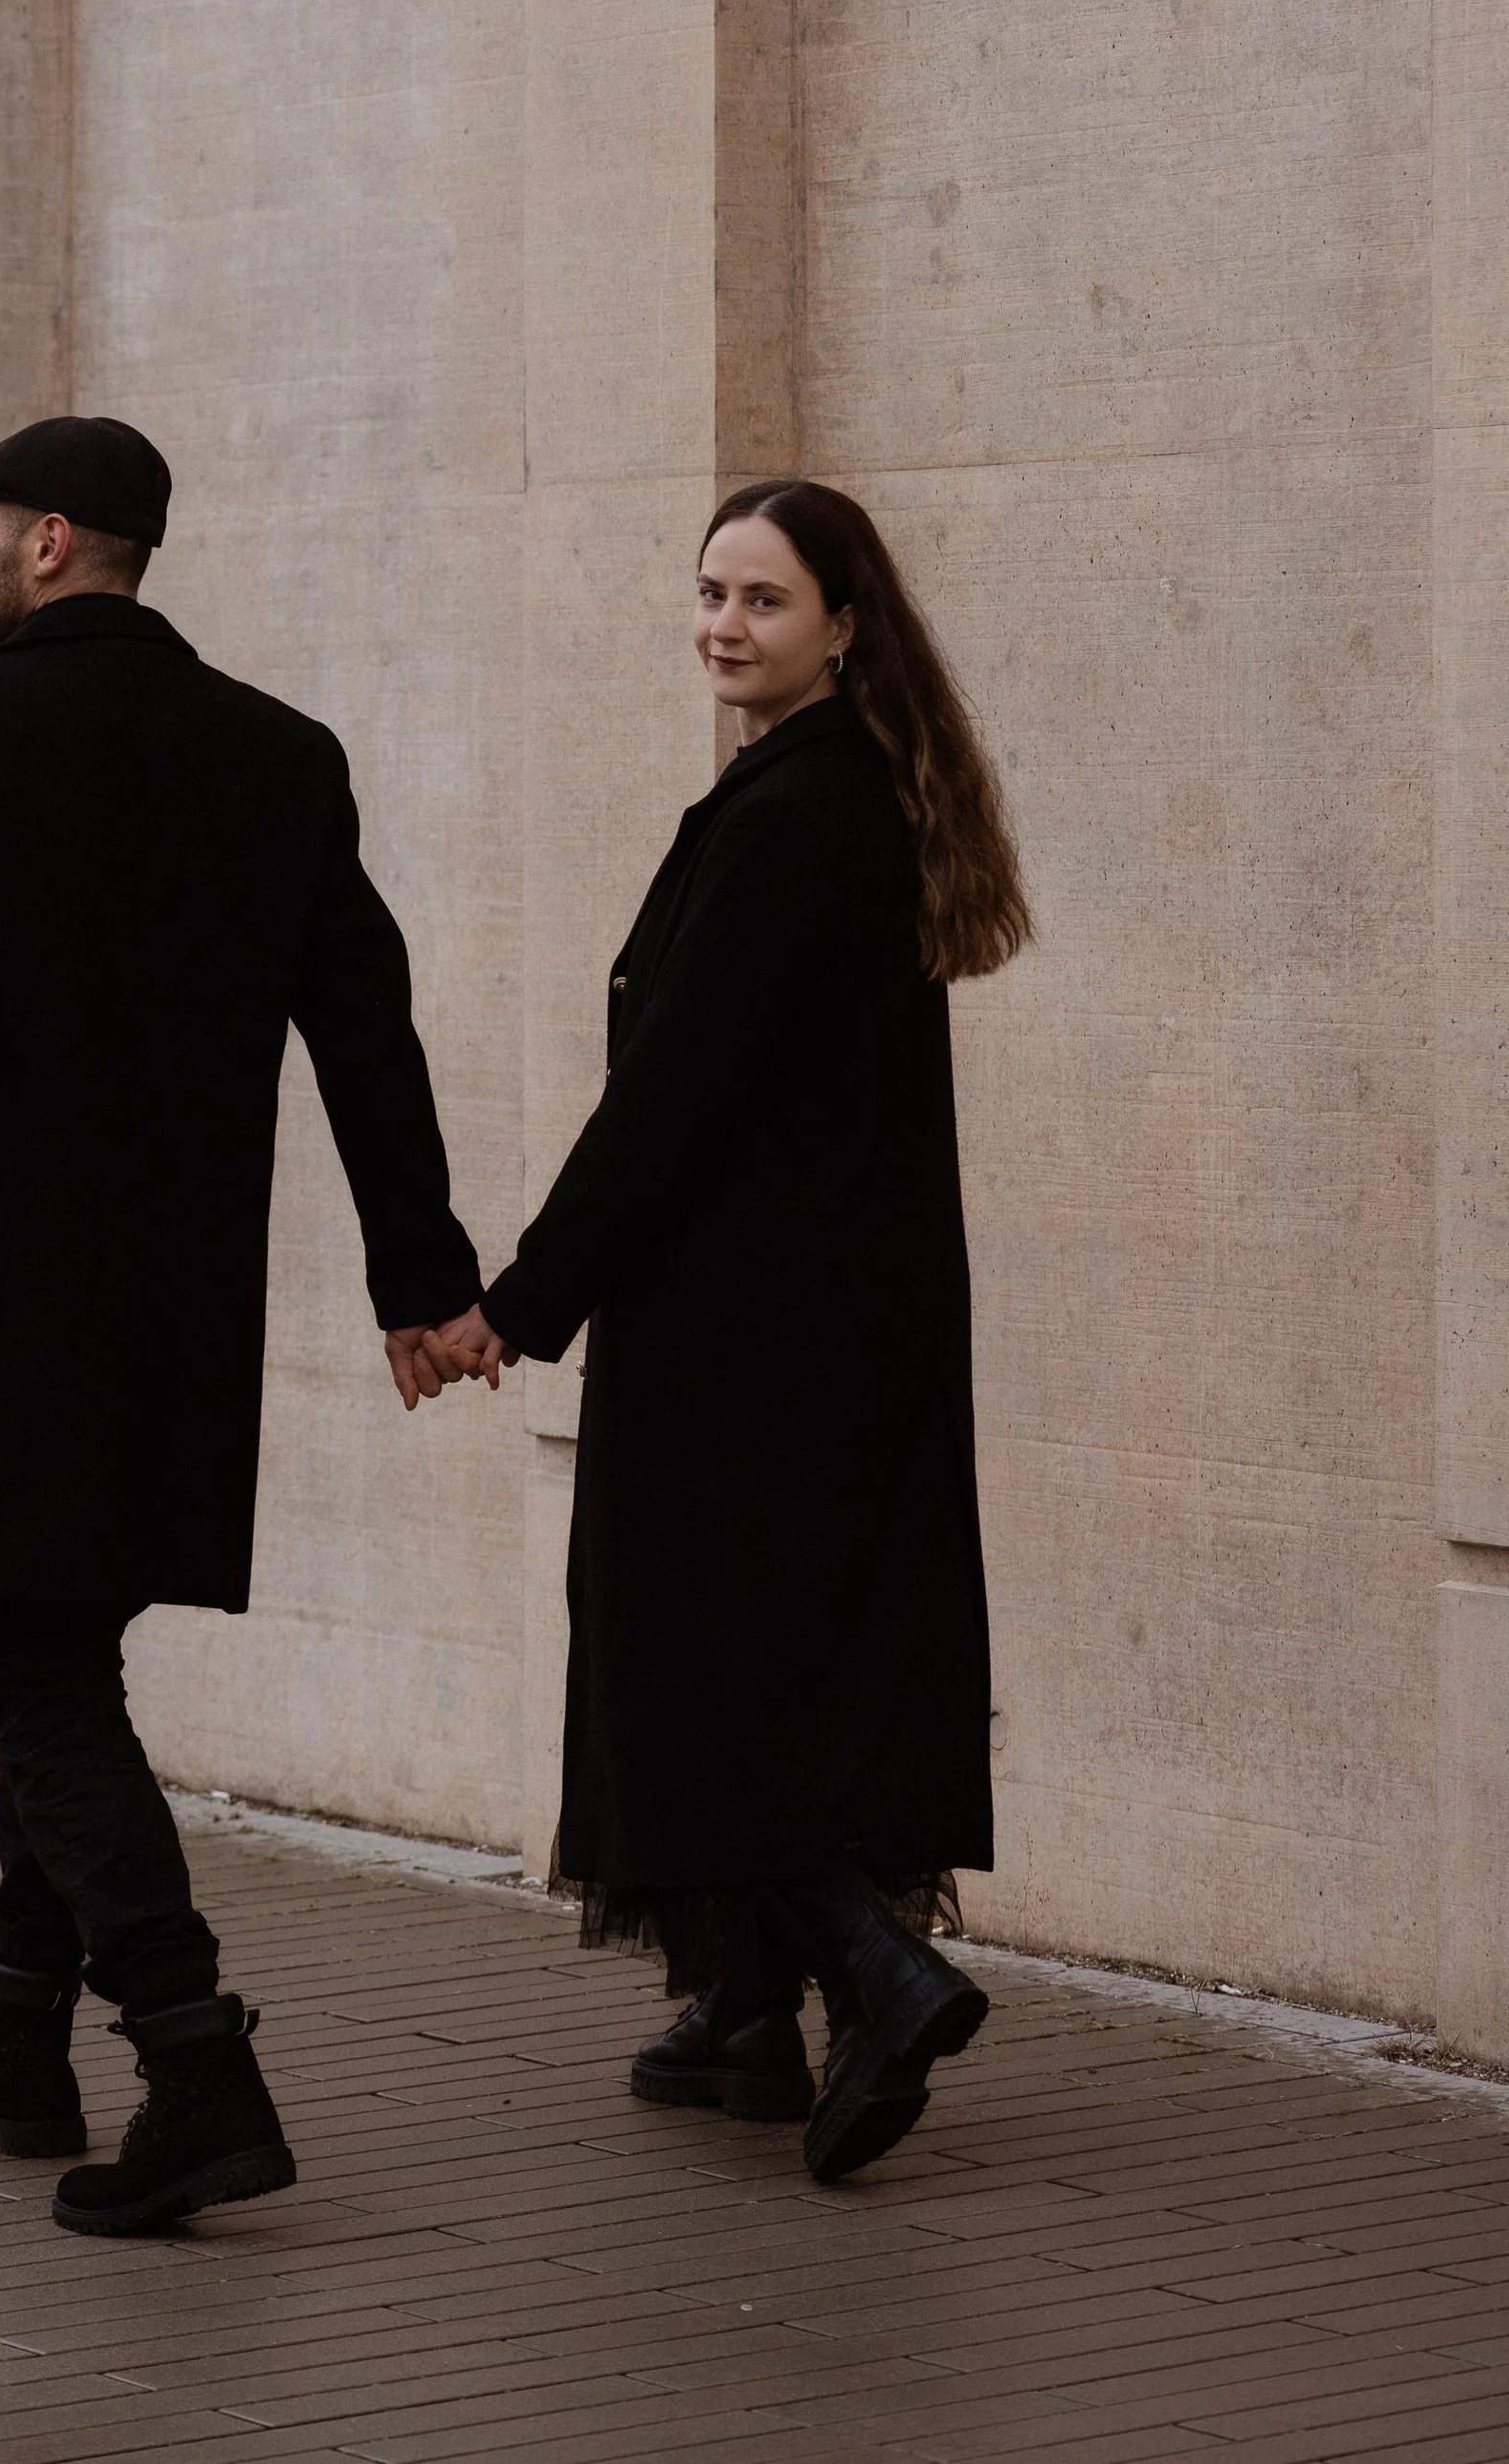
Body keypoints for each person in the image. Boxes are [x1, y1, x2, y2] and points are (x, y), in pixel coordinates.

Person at [0, 415, 480, 2236]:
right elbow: (366, 1024)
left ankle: (197, 2066)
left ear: (51, 543)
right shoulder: (280, 756)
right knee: (63, 1666)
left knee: (35, 1679)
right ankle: (14, 2048)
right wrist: (421, 1275)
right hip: (178, 1318)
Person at [435, 478, 1030, 2183]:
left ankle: (879, 1975)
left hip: (747, 1327)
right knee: (771, 1651)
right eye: (708, 591)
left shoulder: (795, 815)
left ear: (844, 624)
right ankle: (745, 2021)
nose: (722, 625)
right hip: (835, 1317)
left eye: (762, 600)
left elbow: (673, 1101)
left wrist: (516, 1305)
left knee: (687, 1656)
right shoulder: (838, 790)